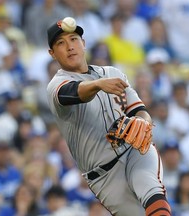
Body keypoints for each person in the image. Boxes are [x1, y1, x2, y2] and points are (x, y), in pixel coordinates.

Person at [46, 17, 171, 215]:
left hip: (134, 150)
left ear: (83, 44)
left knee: (152, 193)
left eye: (74, 39)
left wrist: (143, 122)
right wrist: (97, 84)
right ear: (52, 53)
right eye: (61, 43)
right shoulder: (56, 85)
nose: (70, 47)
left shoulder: (112, 73)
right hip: (104, 176)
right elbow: (72, 92)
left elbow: (139, 110)